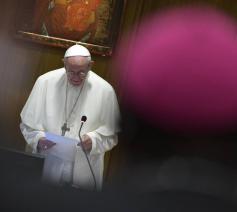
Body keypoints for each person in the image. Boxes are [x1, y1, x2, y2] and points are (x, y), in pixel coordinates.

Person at [20, 44, 120, 190]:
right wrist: (38, 139)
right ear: (64, 64)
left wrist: (93, 140)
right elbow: (27, 125)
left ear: (90, 65)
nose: (75, 77)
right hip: (47, 165)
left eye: (81, 72)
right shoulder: (45, 82)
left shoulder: (105, 91)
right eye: (71, 72)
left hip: (84, 171)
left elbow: (112, 135)